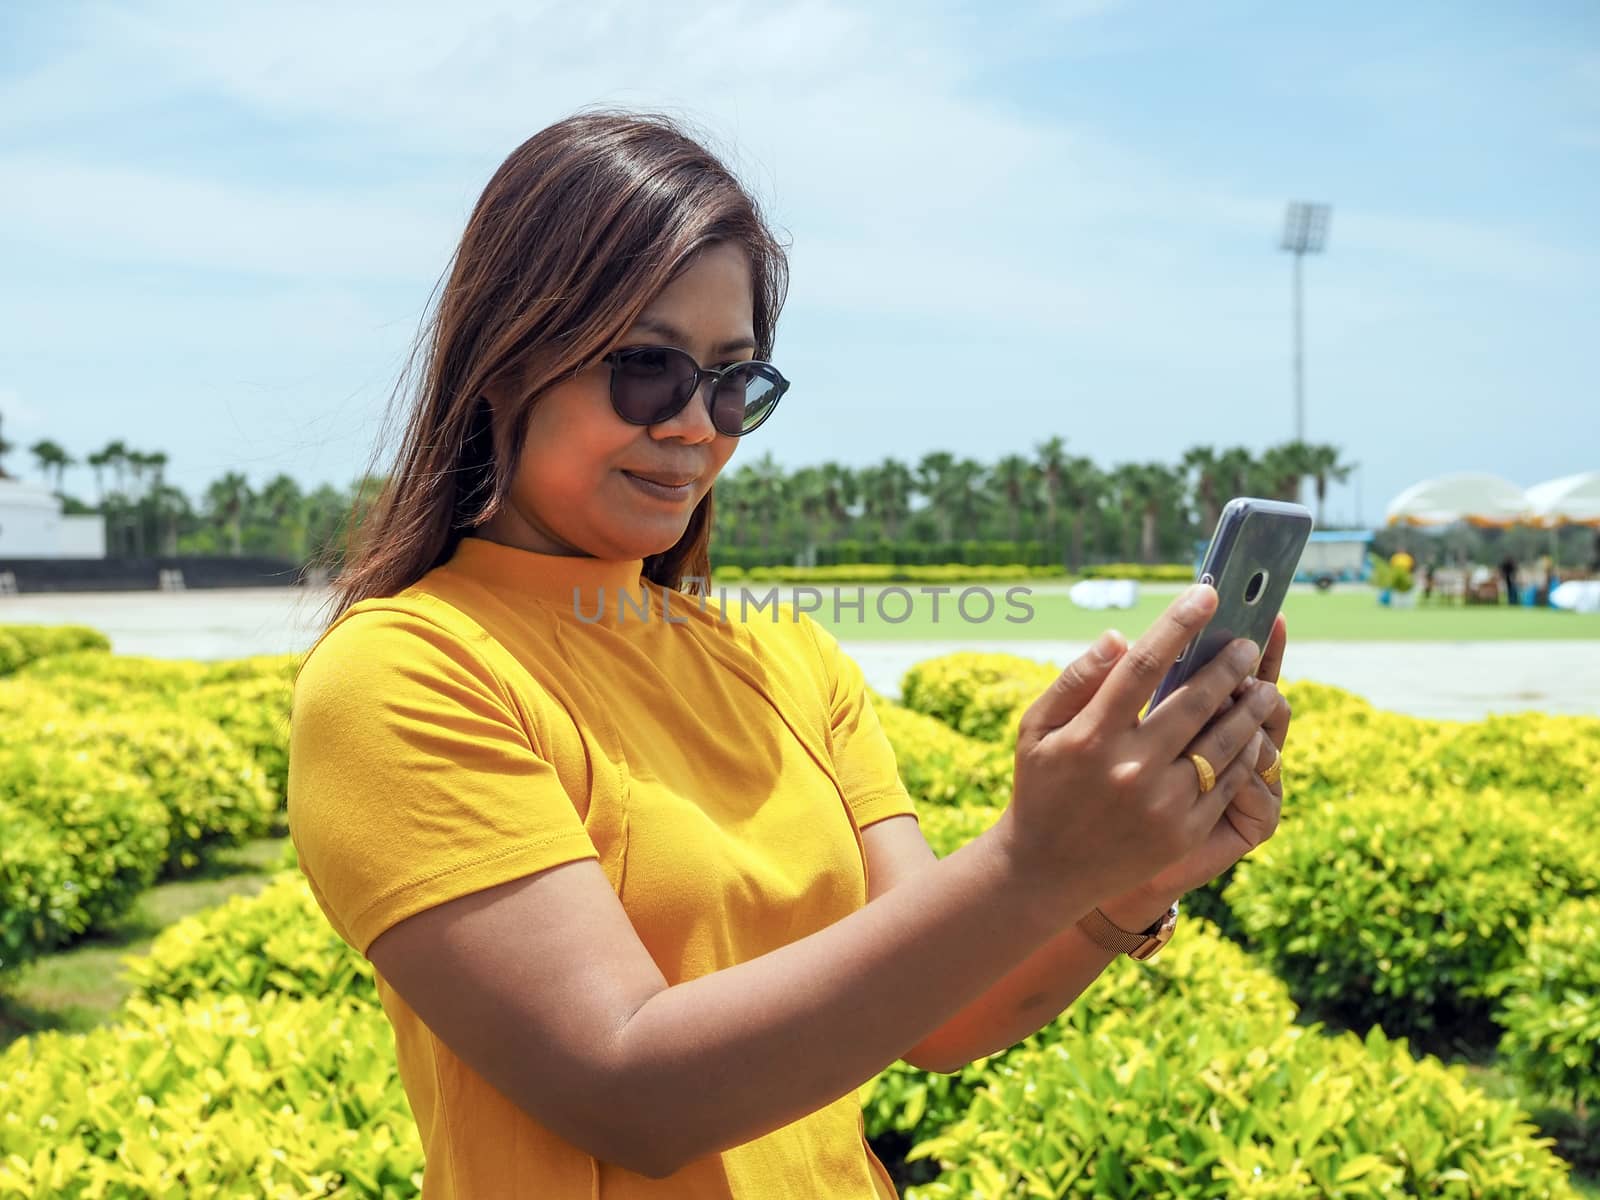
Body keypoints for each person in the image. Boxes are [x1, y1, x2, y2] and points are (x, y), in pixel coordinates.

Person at [286, 107, 1292, 1199]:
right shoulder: (408, 673)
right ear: (506, 359)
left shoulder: (787, 661)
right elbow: (626, 1090)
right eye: (646, 370)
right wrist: (1032, 862)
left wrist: (1120, 885)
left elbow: (939, 1017)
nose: (696, 427)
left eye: (734, 383)